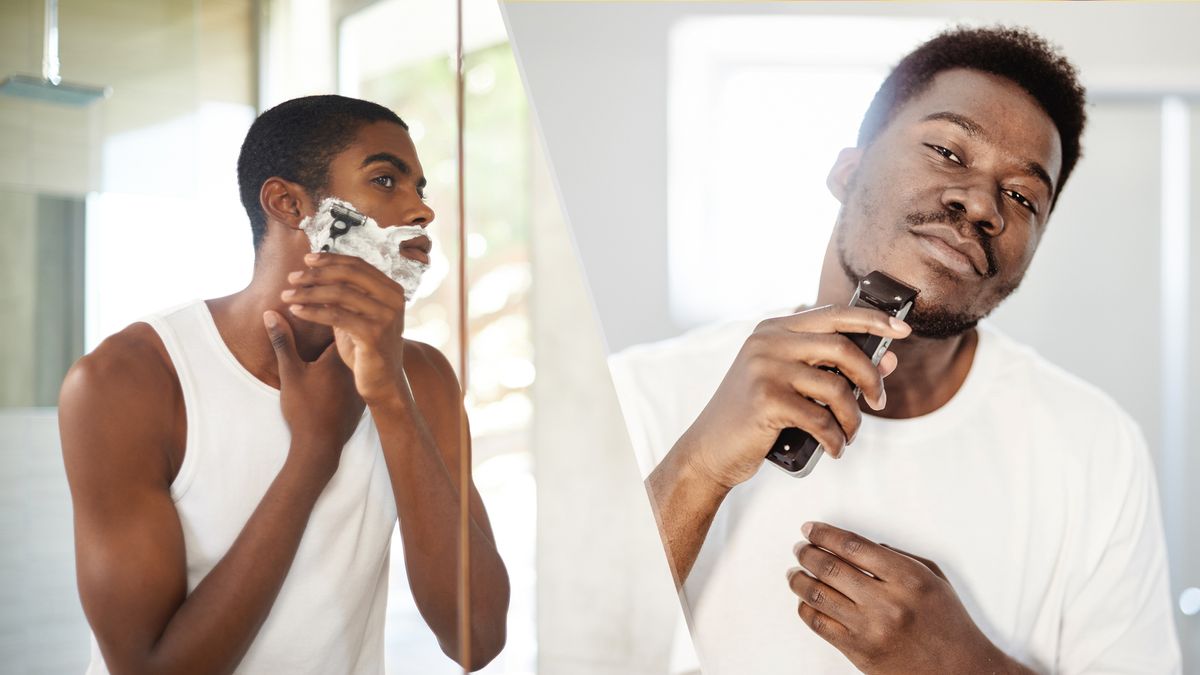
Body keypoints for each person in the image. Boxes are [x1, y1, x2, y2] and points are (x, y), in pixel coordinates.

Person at [612, 27, 1181, 674]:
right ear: (847, 170)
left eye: (1023, 196)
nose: (981, 203)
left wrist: (964, 665)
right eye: (947, 149)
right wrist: (696, 470)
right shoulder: (641, 393)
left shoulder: (1096, 447)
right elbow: (573, 648)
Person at [59, 95, 509, 674]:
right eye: (386, 180)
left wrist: (391, 397)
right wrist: (313, 452)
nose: (422, 211)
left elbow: (477, 639)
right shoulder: (128, 381)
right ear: (289, 203)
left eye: (419, 188)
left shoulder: (422, 378)